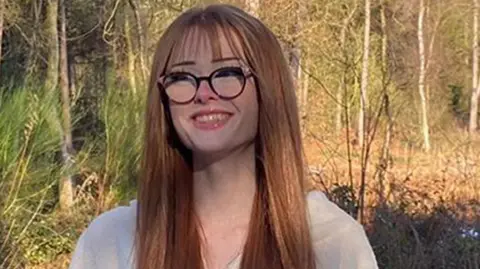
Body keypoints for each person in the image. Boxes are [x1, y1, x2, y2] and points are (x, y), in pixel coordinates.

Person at [69, 3, 378, 269]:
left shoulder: (332, 243)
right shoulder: (110, 243)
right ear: (162, 98)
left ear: (268, 90)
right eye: (181, 77)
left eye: (228, 73)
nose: (204, 93)